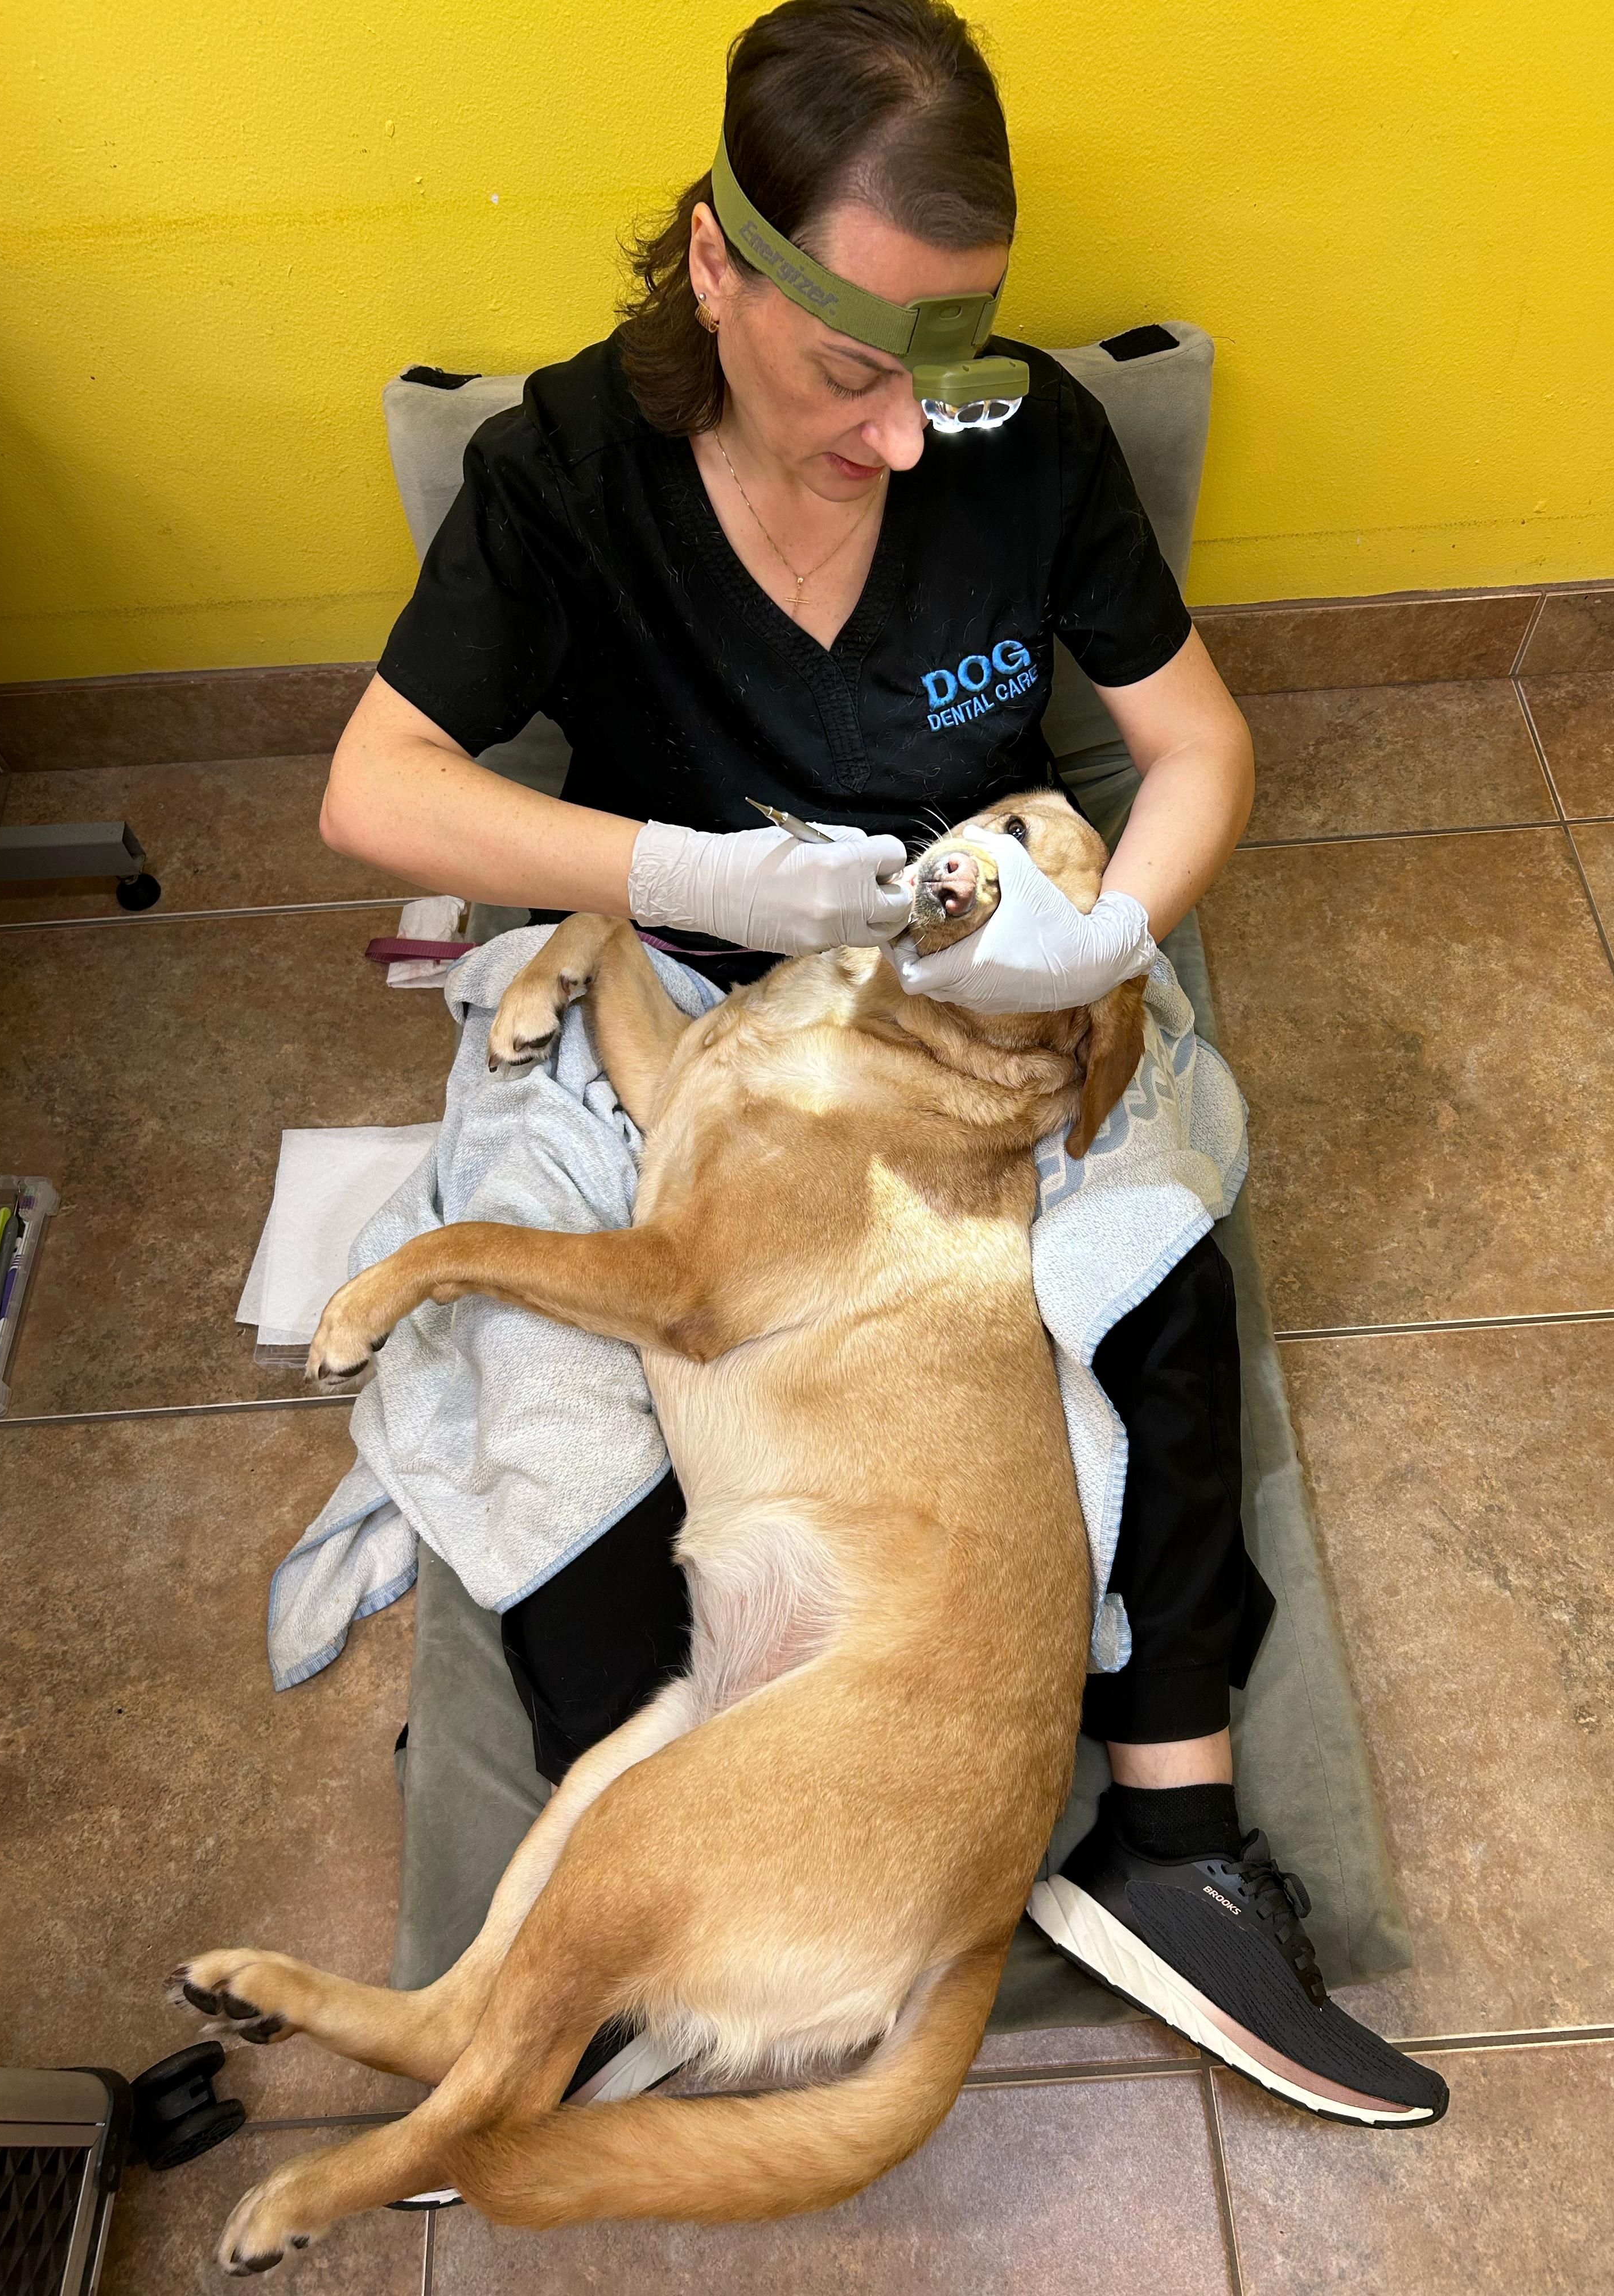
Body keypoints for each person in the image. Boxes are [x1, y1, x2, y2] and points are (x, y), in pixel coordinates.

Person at [324, 0, 1445, 2127]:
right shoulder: (564, 475)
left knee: (1153, 1262)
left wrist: (1104, 935)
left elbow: (1199, 748)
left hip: (978, 1004)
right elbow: (376, 792)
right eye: (855, 370)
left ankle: (1179, 1847)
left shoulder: (1024, 444)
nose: (911, 434)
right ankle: (658, 1884)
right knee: (558, 1406)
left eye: (941, 369)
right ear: (720, 265)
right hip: (692, 999)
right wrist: (686, 875)